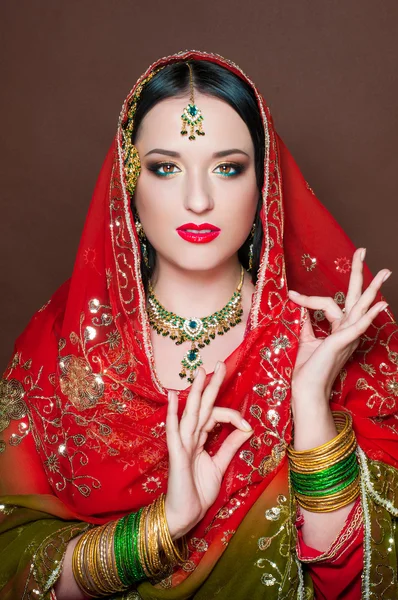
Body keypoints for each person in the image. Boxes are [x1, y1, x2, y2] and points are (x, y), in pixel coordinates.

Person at [0, 50, 397, 600]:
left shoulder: (325, 343)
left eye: (227, 167)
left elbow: (351, 576)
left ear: (264, 186)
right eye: (166, 168)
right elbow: (11, 563)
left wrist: (309, 403)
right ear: (128, 186)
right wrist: (162, 528)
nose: (198, 200)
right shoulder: (61, 344)